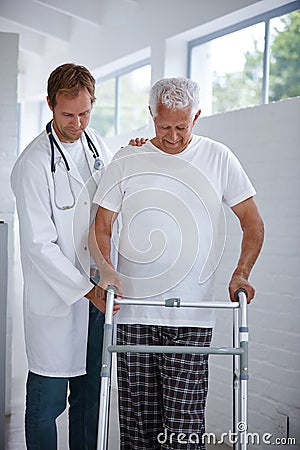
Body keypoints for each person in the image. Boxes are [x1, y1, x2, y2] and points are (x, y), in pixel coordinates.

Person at [89, 77, 264, 449]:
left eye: (181, 127)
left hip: (193, 316)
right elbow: (101, 226)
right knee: (139, 430)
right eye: (163, 125)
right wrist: (107, 270)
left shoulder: (218, 157)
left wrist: (241, 272)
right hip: (134, 313)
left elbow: (252, 222)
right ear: (151, 115)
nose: (171, 136)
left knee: (183, 430)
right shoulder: (128, 158)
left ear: (197, 116)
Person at [10, 63, 114, 450]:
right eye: (68, 114)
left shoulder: (96, 145)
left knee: (89, 399)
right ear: (51, 105)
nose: (77, 123)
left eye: (85, 113)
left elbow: (111, 199)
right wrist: (86, 289)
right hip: (61, 298)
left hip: (97, 294)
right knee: (46, 402)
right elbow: (39, 244)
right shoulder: (33, 163)